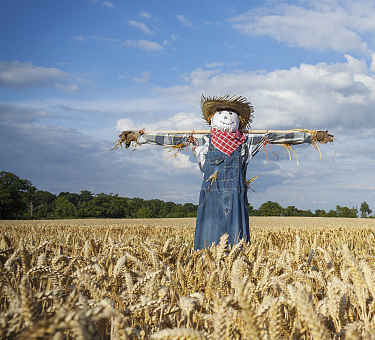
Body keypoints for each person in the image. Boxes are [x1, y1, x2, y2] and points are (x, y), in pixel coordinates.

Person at [118, 95, 333, 249]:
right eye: (222, 113)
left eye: (231, 114)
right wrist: (140, 136)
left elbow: (278, 136)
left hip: (237, 198)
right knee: (208, 248)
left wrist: (312, 136)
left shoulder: (246, 140)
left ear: (239, 120)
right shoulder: (201, 140)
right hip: (210, 198)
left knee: (238, 248)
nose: (227, 117)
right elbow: (170, 138)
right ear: (213, 118)